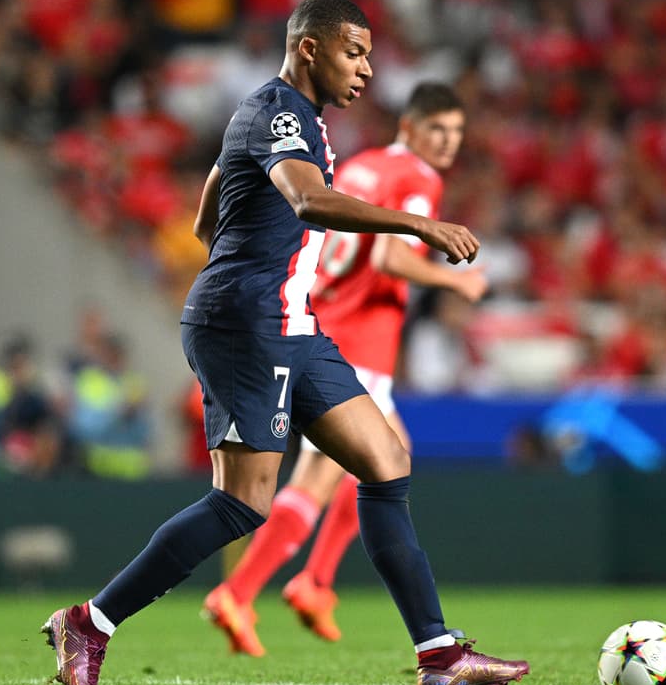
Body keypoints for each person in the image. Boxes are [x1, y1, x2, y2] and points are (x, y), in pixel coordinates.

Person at [42, 0, 528, 685]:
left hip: (290, 321)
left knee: (385, 457)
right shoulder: (279, 111)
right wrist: (415, 228)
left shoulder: (295, 119)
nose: (365, 69)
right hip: (247, 325)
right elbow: (305, 200)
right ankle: (90, 623)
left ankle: (439, 653)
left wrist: (232, 244)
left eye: (368, 55)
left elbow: (214, 192)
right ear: (309, 48)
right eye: (353, 52)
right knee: (243, 502)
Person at [202, 81, 489, 655]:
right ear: (408, 127)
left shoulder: (360, 166)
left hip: (325, 318)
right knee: (332, 476)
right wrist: (455, 279)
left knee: (385, 463)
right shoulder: (418, 178)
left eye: (456, 133)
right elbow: (389, 255)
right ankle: (242, 589)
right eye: (438, 130)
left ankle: (313, 581)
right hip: (359, 338)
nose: (448, 144)